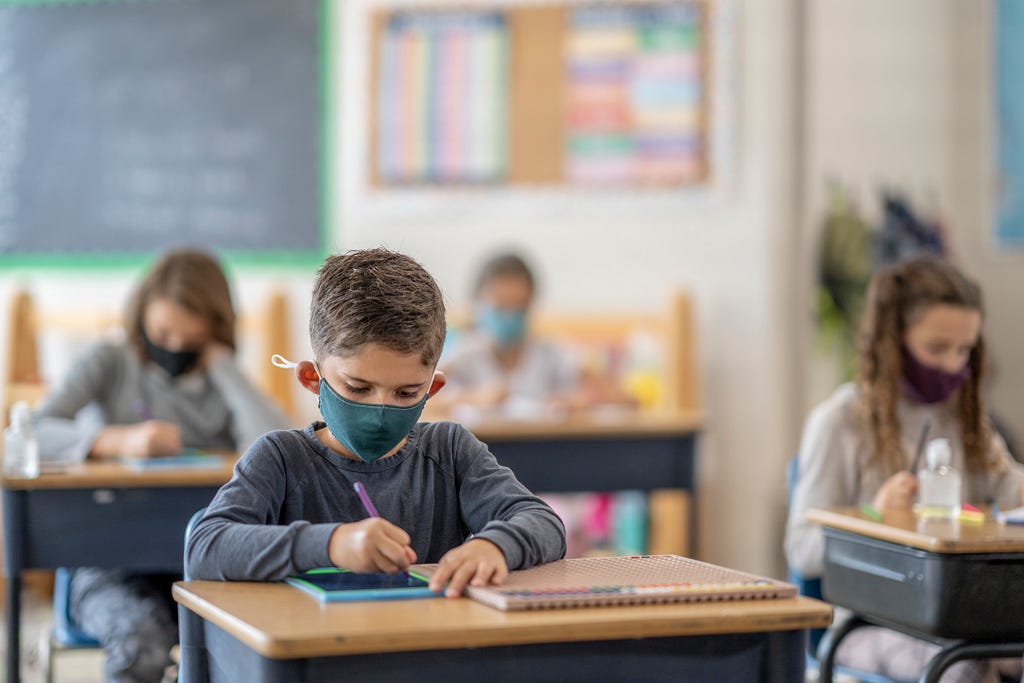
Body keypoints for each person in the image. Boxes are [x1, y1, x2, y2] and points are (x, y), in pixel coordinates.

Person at [185, 248, 566, 599]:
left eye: (405, 393)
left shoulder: (450, 452)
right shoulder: (281, 459)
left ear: (433, 388)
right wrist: (331, 545)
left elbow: (542, 522)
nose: (380, 409)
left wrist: (494, 545)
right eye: (359, 387)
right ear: (311, 379)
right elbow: (207, 546)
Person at [34, 248, 291, 683]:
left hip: (198, 562)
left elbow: (278, 446)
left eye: (188, 341)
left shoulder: (220, 379)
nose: (173, 347)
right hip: (109, 559)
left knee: (246, 641)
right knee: (142, 644)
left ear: (212, 331)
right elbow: (30, 433)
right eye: (162, 333)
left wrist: (224, 368)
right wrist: (116, 439)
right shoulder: (110, 361)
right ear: (142, 318)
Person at [785, 255, 1024, 683]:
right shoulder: (840, 421)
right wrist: (874, 516)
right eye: (936, 348)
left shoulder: (964, 418)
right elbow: (801, 547)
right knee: (963, 667)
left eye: (964, 350)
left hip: (962, 617)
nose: (953, 365)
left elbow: (1011, 488)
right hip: (866, 624)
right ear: (892, 341)